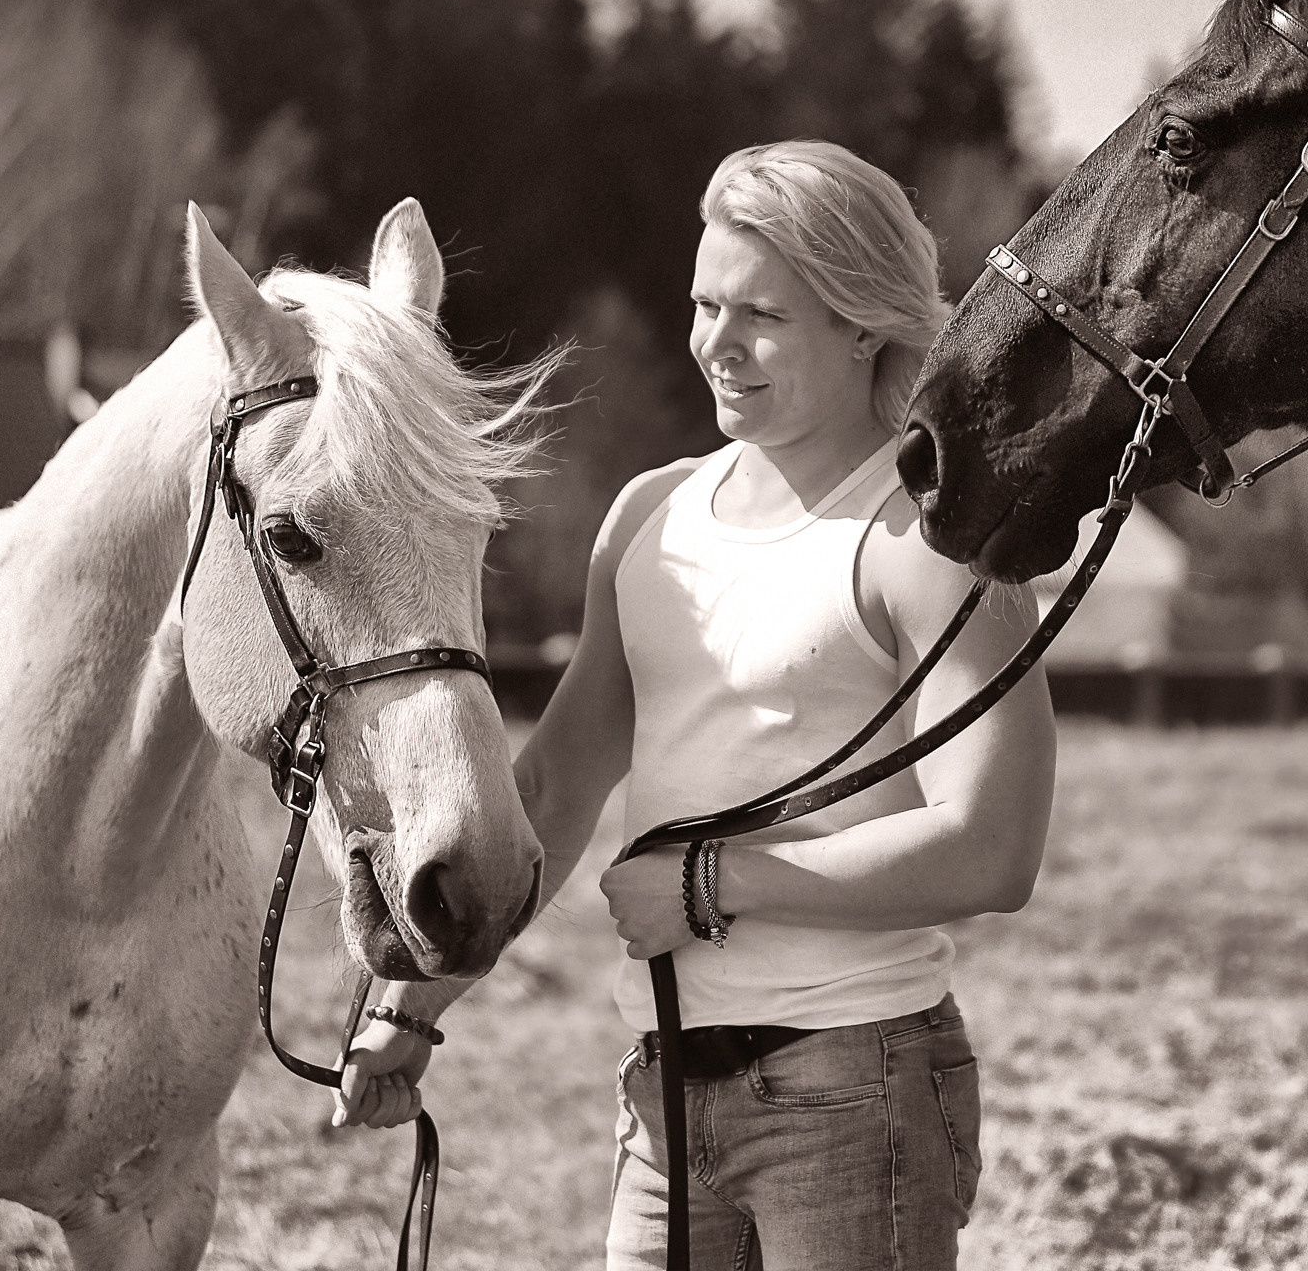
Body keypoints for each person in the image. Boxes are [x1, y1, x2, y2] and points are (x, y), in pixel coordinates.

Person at [335, 139, 1058, 1270]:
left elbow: (993, 848)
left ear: (861, 322)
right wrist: (412, 1005)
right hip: (662, 1089)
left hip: (854, 1083)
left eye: (761, 315)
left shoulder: (927, 537)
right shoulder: (650, 519)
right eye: (704, 303)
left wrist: (714, 885)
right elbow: (554, 789)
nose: (718, 343)